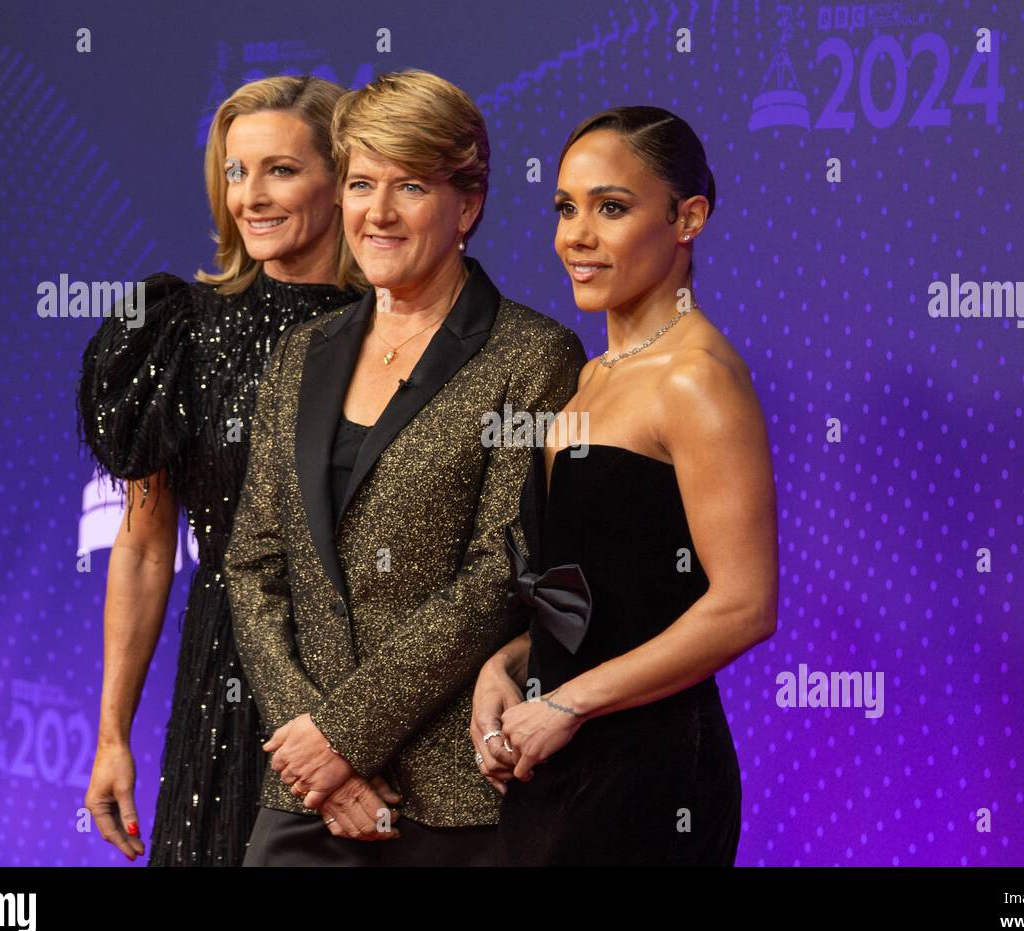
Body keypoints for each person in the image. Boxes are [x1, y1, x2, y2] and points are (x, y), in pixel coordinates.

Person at [225, 69, 585, 866]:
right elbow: (251, 566)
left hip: (452, 801)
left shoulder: (532, 358)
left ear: (469, 204)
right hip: (307, 795)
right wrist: (315, 756)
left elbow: (503, 571)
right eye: (359, 183)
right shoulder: (299, 358)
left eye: (410, 186)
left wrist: (348, 733)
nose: (376, 214)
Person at [472, 106, 779, 865]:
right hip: (557, 757)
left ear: (688, 218)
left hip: (649, 771)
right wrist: (506, 665)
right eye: (565, 208)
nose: (576, 235)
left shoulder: (697, 379)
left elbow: (744, 606)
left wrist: (573, 701)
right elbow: (615, 590)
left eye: (611, 208)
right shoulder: (591, 375)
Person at [76, 76, 365, 866]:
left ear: (345, 181)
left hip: (374, 678)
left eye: (280, 170)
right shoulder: (180, 333)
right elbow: (140, 549)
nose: (252, 197)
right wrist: (111, 734)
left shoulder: (397, 326)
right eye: (236, 173)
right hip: (223, 674)